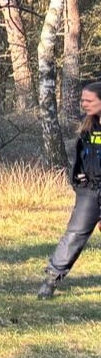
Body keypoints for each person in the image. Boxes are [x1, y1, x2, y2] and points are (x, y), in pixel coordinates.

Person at [39, 82, 101, 300]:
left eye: (89, 100)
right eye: (82, 100)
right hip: (90, 192)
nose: (83, 104)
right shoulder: (87, 129)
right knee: (74, 234)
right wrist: (79, 180)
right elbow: (80, 158)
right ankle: (51, 280)